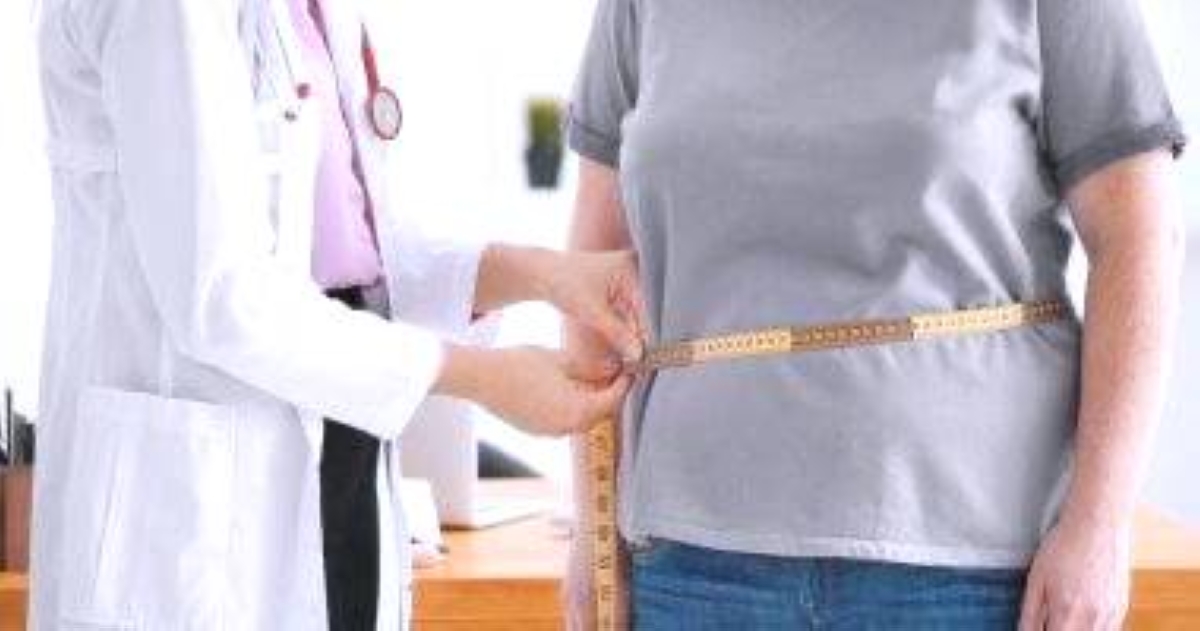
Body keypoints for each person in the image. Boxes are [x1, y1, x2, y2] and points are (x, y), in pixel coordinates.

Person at [563, 0, 1187, 629]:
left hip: (971, 569)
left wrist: (1101, 525)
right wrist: (593, 529)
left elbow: (1139, 240)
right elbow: (595, 270)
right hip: (692, 565)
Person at [31, 0, 645, 629]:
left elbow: (347, 253)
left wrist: (539, 274)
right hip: (190, 520)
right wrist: (483, 378)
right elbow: (222, 296)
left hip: (339, 471)